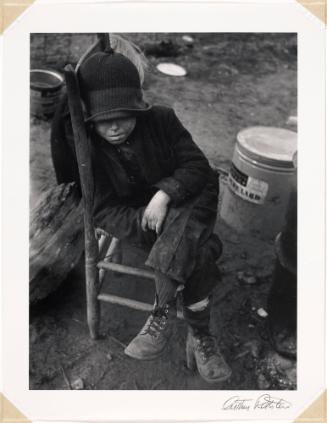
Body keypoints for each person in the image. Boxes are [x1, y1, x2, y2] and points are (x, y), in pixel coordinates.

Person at [51, 45, 232, 384]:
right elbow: (103, 210)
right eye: (104, 120)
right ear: (91, 119)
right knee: (201, 251)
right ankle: (202, 335)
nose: (115, 126)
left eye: (124, 115)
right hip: (149, 220)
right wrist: (155, 223)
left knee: (186, 217)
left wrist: (165, 194)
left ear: (139, 106)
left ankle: (160, 310)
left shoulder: (161, 119)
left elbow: (198, 167)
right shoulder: (88, 149)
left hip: (190, 196)